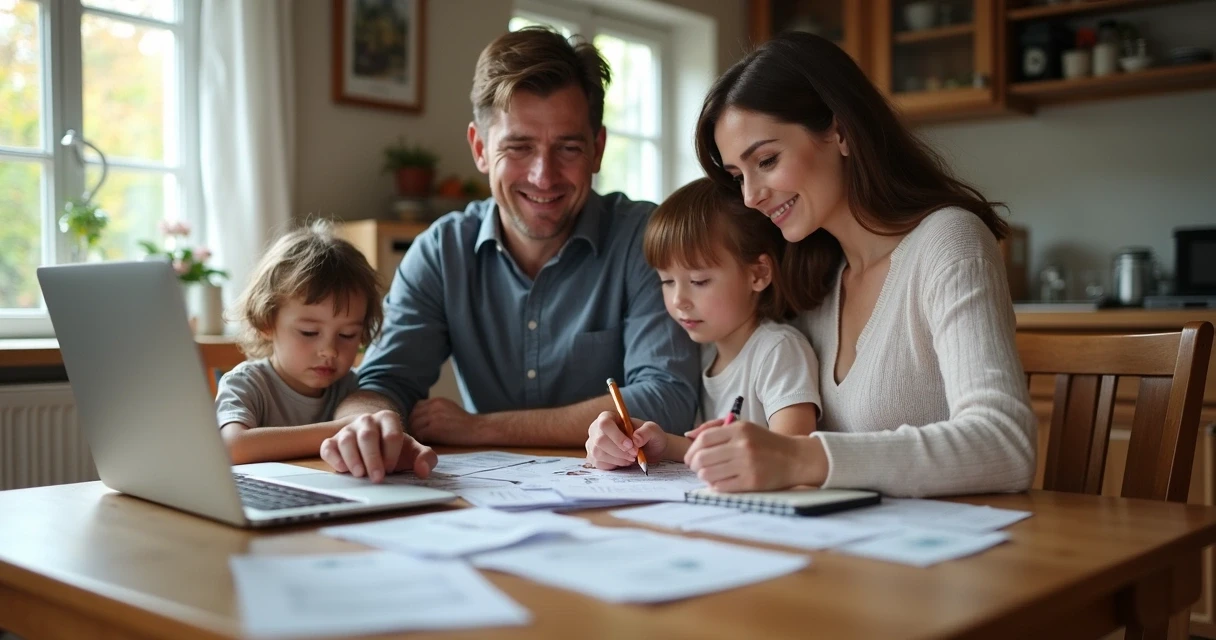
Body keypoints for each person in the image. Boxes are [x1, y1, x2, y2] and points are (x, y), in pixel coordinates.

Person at [320, 27, 700, 483]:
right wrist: (368, 421)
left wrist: (479, 428)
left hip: (626, 500)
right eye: (519, 147)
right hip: (487, 499)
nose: (544, 176)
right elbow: (383, 382)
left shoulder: (647, 240)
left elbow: (666, 397)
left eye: (569, 147)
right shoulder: (442, 252)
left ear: (597, 149)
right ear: (481, 149)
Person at [681, 32, 1036, 497]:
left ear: (841, 131)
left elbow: (1005, 444)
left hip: (946, 555)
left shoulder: (948, 241)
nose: (750, 196)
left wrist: (797, 458)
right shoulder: (812, 279)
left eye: (766, 160)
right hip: (844, 550)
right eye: (737, 177)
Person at [584, 178, 821, 470]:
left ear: (758, 274)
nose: (679, 299)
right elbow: (713, 450)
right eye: (667, 281)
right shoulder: (705, 353)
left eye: (699, 281)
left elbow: (793, 451)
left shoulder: (778, 350)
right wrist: (662, 443)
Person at [215, 220, 384, 465]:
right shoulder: (247, 384)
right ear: (266, 322)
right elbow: (233, 447)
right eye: (309, 332)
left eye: (347, 335)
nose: (329, 351)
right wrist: (343, 428)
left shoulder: (353, 390)